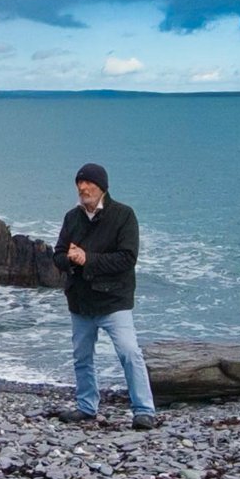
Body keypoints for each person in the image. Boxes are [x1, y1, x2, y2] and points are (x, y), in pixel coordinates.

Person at [53, 163, 157, 430]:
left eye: (89, 184)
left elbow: (127, 258)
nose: (83, 188)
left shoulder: (123, 215)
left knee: (129, 352)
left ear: (102, 188)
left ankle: (144, 410)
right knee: (82, 356)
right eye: (80, 183)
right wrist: (69, 259)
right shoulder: (72, 218)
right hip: (81, 301)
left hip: (113, 302)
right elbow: (57, 256)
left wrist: (88, 259)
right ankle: (86, 406)